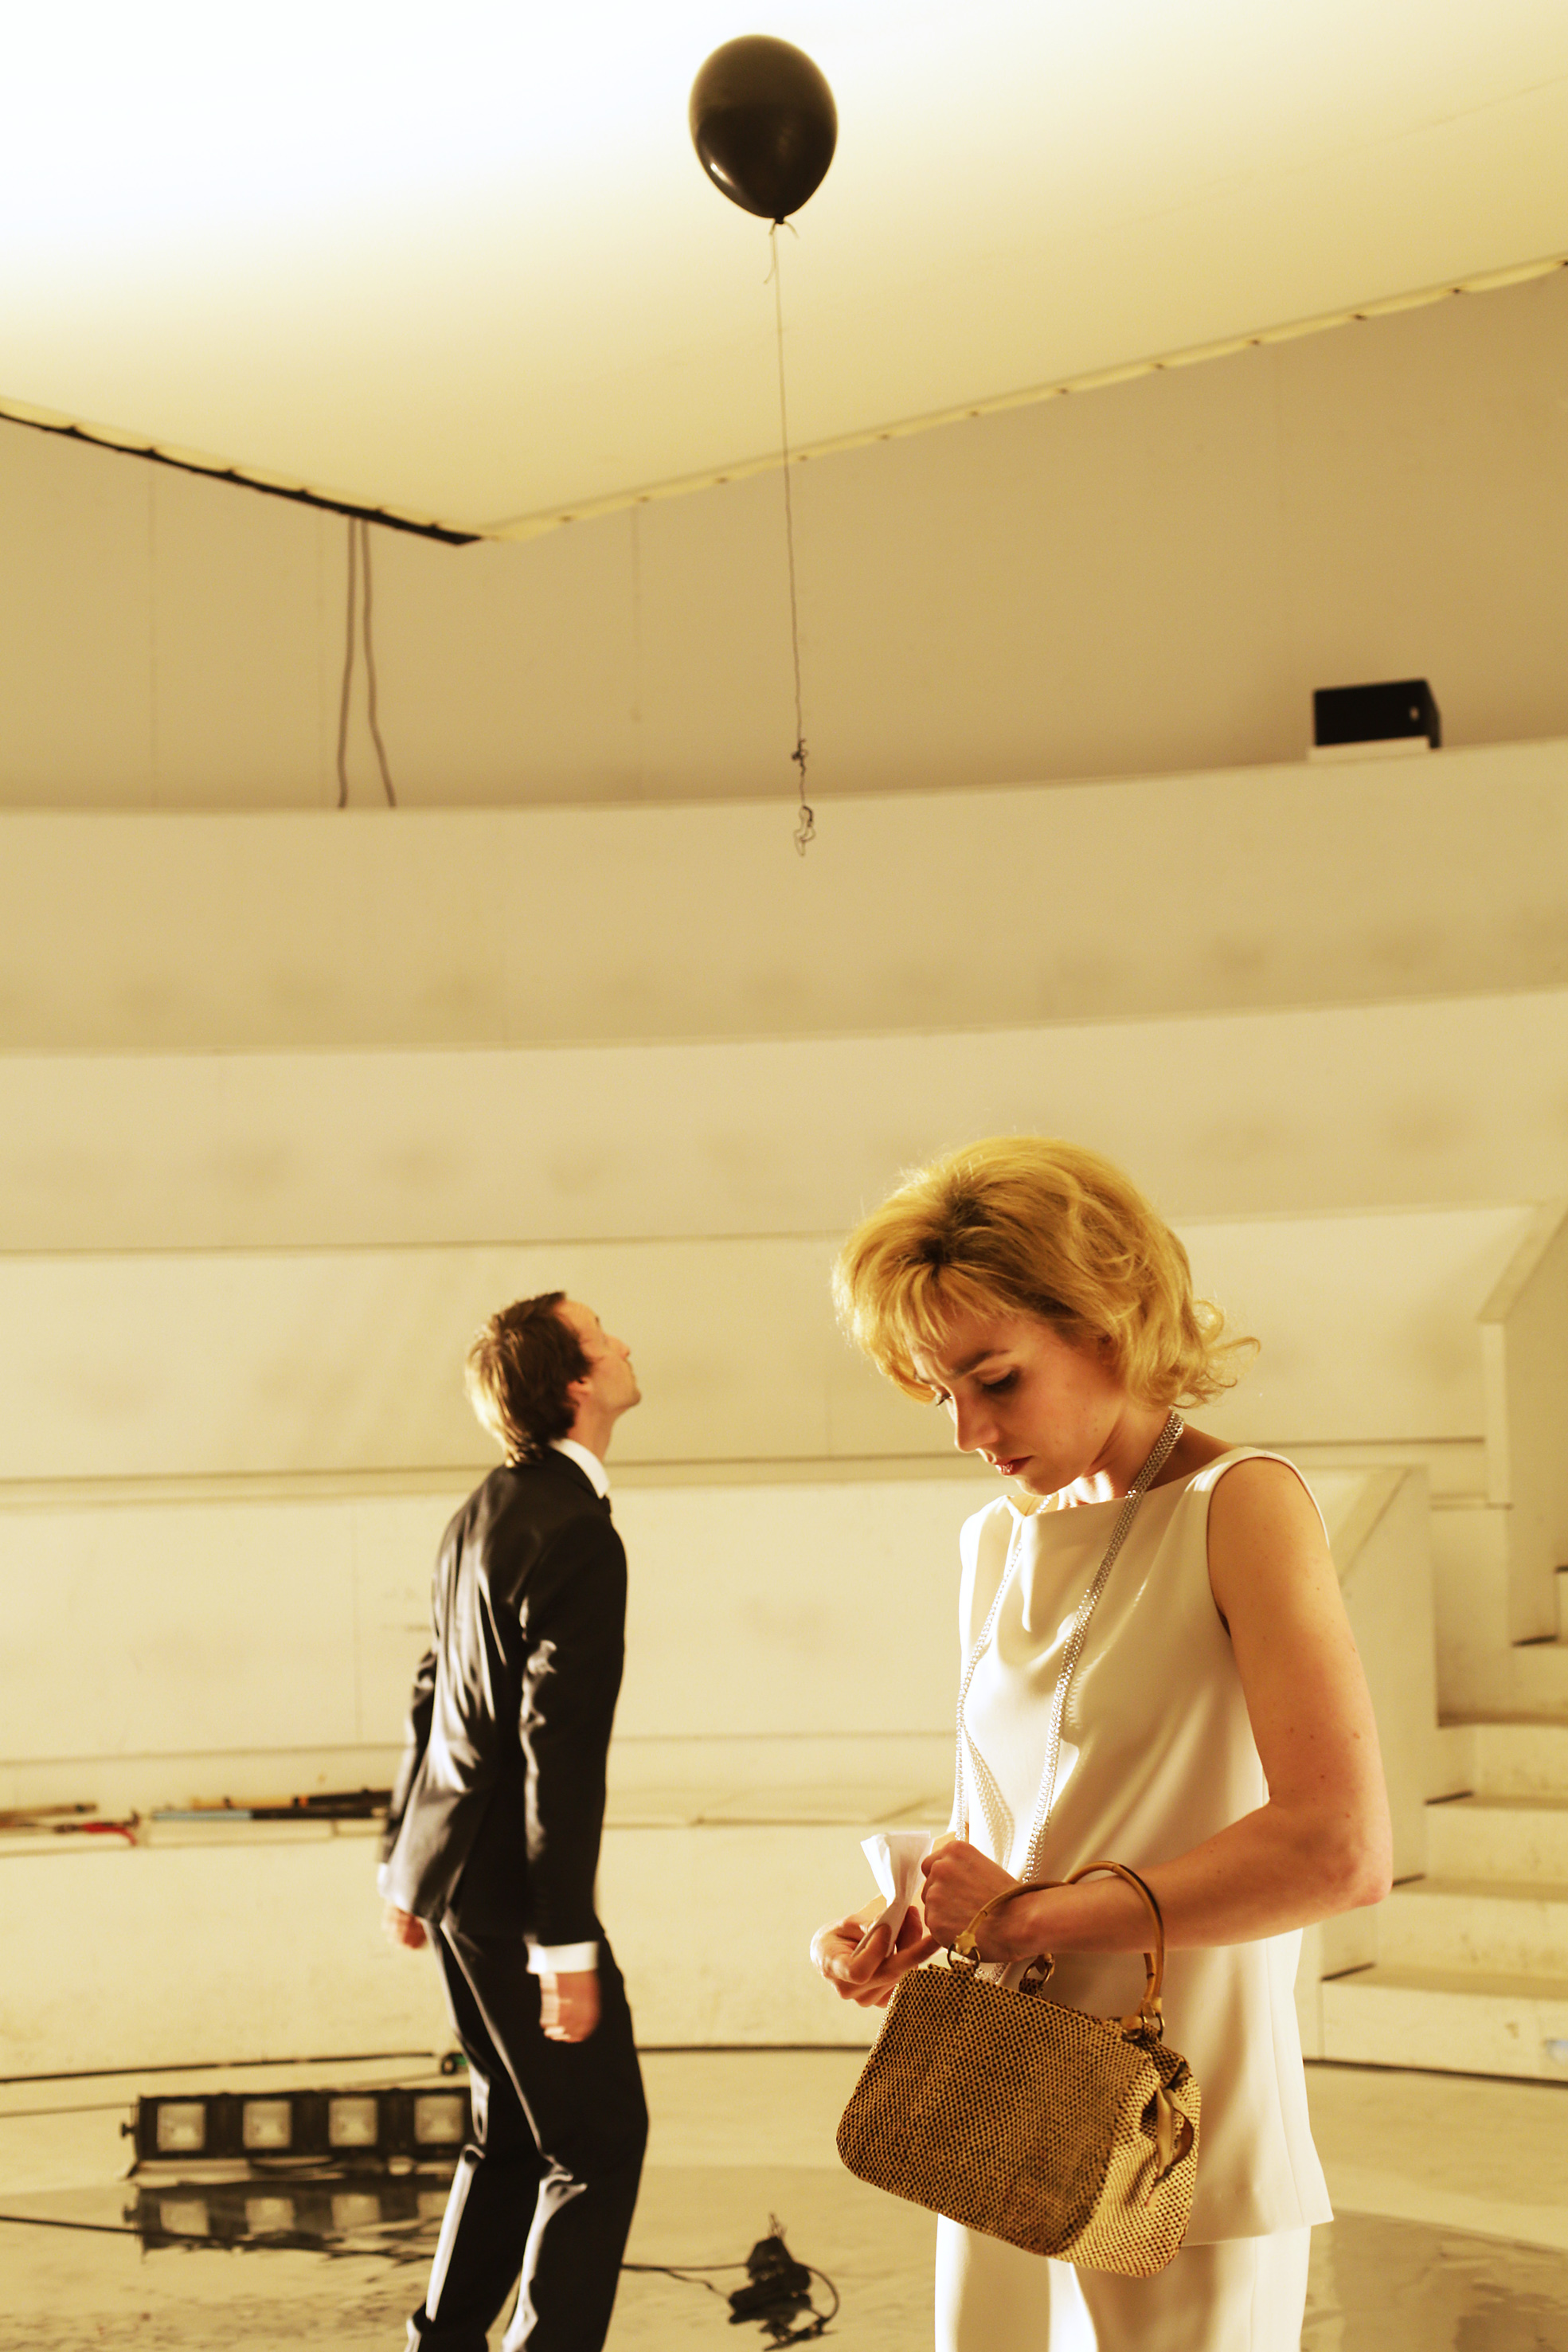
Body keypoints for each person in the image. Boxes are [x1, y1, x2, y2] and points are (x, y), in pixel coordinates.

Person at [811, 1138, 1392, 2352]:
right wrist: (908, 1915)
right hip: (998, 2113)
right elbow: (1014, 1819)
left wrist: (1027, 1918)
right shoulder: (992, 1540)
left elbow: (1336, 1851)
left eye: (995, 1378)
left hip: (1169, 2132)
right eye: (938, 1390)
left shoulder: (1240, 1505)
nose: (967, 1428)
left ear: (1108, 1322)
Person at [381, 1293, 647, 2352]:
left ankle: (440, 2344)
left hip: (454, 1878)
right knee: (598, 2143)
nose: (623, 1343)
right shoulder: (575, 1532)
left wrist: (404, 1867)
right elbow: (556, 1751)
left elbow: (430, 1692)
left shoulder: (481, 1510)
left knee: (511, 2130)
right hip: (512, 1893)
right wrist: (564, 1943)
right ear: (576, 1383)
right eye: (603, 1335)